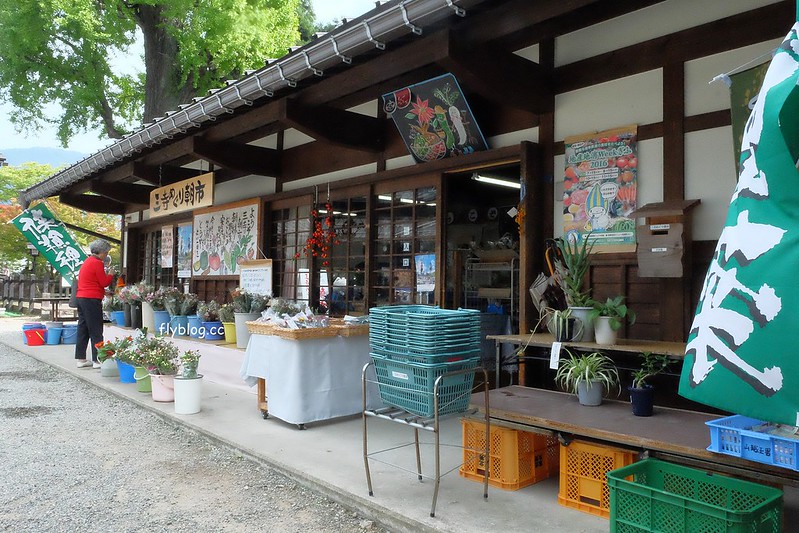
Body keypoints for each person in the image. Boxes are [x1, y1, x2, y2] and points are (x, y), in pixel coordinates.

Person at [74, 239, 116, 368]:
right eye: (106, 252)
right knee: (96, 329)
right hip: (91, 300)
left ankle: (81, 358)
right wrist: (110, 274)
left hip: (81, 298)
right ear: (102, 252)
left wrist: (103, 293)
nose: (106, 255)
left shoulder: (87, 262)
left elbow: (91, 283)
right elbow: (104, 282)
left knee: (83, 328)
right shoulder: (97, 263)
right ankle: (98, 360)